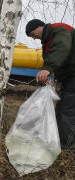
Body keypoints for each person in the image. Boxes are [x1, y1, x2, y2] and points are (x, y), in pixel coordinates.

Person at [26, 19, 75, 150]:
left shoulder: (59, 29)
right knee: (62, 108)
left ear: (39, 26)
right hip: (69, 77)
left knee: (67, 110)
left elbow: (62, 49)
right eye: (31, 36)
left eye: (32, 33)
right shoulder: (46, 42)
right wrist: (53, 78)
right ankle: (61, 141)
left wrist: (48, 68)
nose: (33, 37)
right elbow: (59, 61)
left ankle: (67, 147)